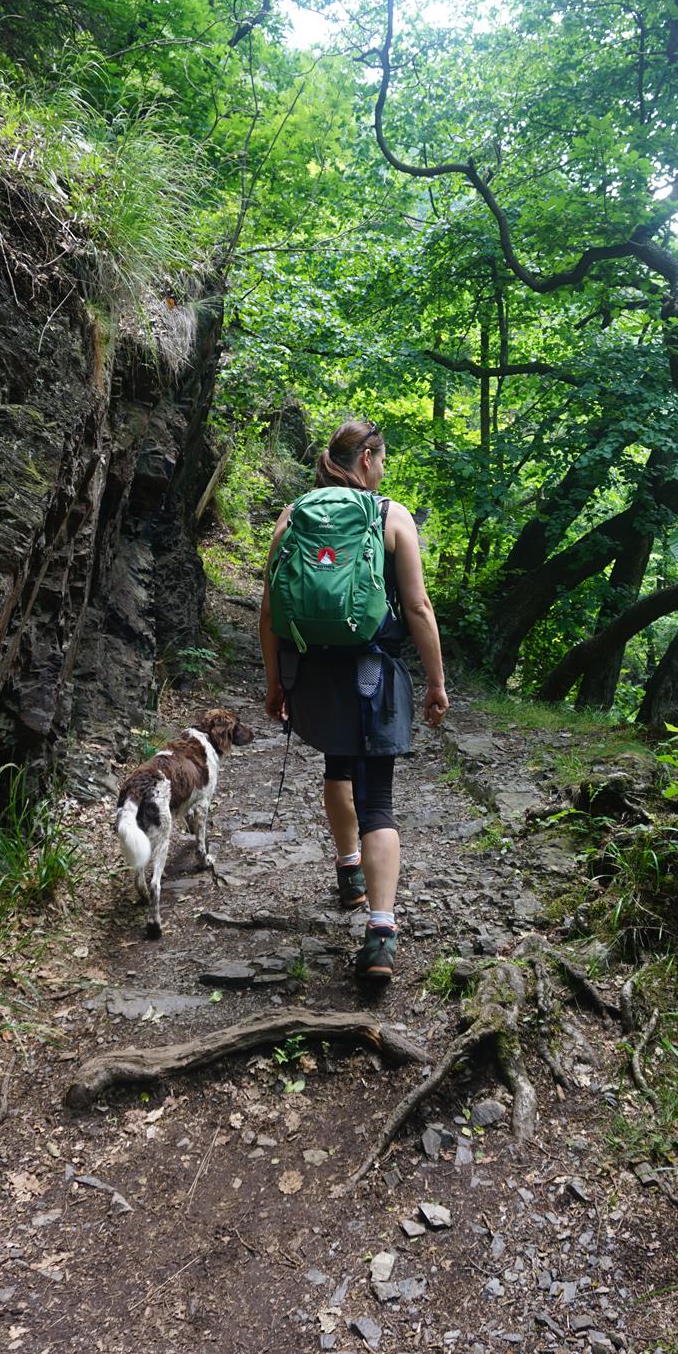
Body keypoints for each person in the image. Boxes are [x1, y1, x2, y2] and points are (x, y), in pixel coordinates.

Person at [258, 419, 449, 981]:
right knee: (379, 798)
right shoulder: (392, 515)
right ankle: (382, 934)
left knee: (337, 766)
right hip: (371, 672)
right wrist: (436, 683)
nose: (384, 469)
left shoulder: (294, 514)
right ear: (365, 459)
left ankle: (349, 873)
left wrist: (275, 683)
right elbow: (418, 609)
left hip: (315, 671)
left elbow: (269, 611)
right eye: (382, 458)